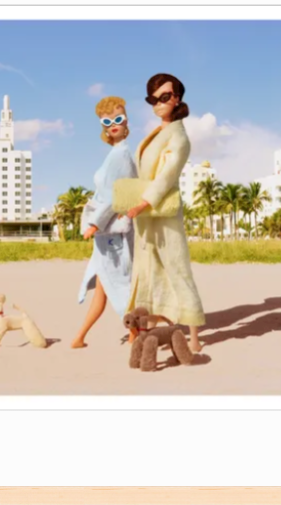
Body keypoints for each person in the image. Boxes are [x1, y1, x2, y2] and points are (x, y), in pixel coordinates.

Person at [125, 74, 206, 353]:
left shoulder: (179, 136)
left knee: (176, 267)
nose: (157, 104)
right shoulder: (157, 132)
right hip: (146, 214)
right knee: (146, 270)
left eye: (163, 98)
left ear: (176, 98)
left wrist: (142, 203)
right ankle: (143, 329)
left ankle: (194, 336)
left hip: (162, 210)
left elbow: (166, 177)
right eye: (152, 99)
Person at [71, 96, 138, 349]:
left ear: (126, 121)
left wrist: (95, 224)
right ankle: (80, 337)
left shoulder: (122, 154)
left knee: (120, 285)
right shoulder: (115, 153)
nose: (113, 125)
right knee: (106, 286)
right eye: (107, 121)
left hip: (111, 234)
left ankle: (135, 333)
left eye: (118, 119)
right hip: (107, 234)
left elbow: (114, 195)